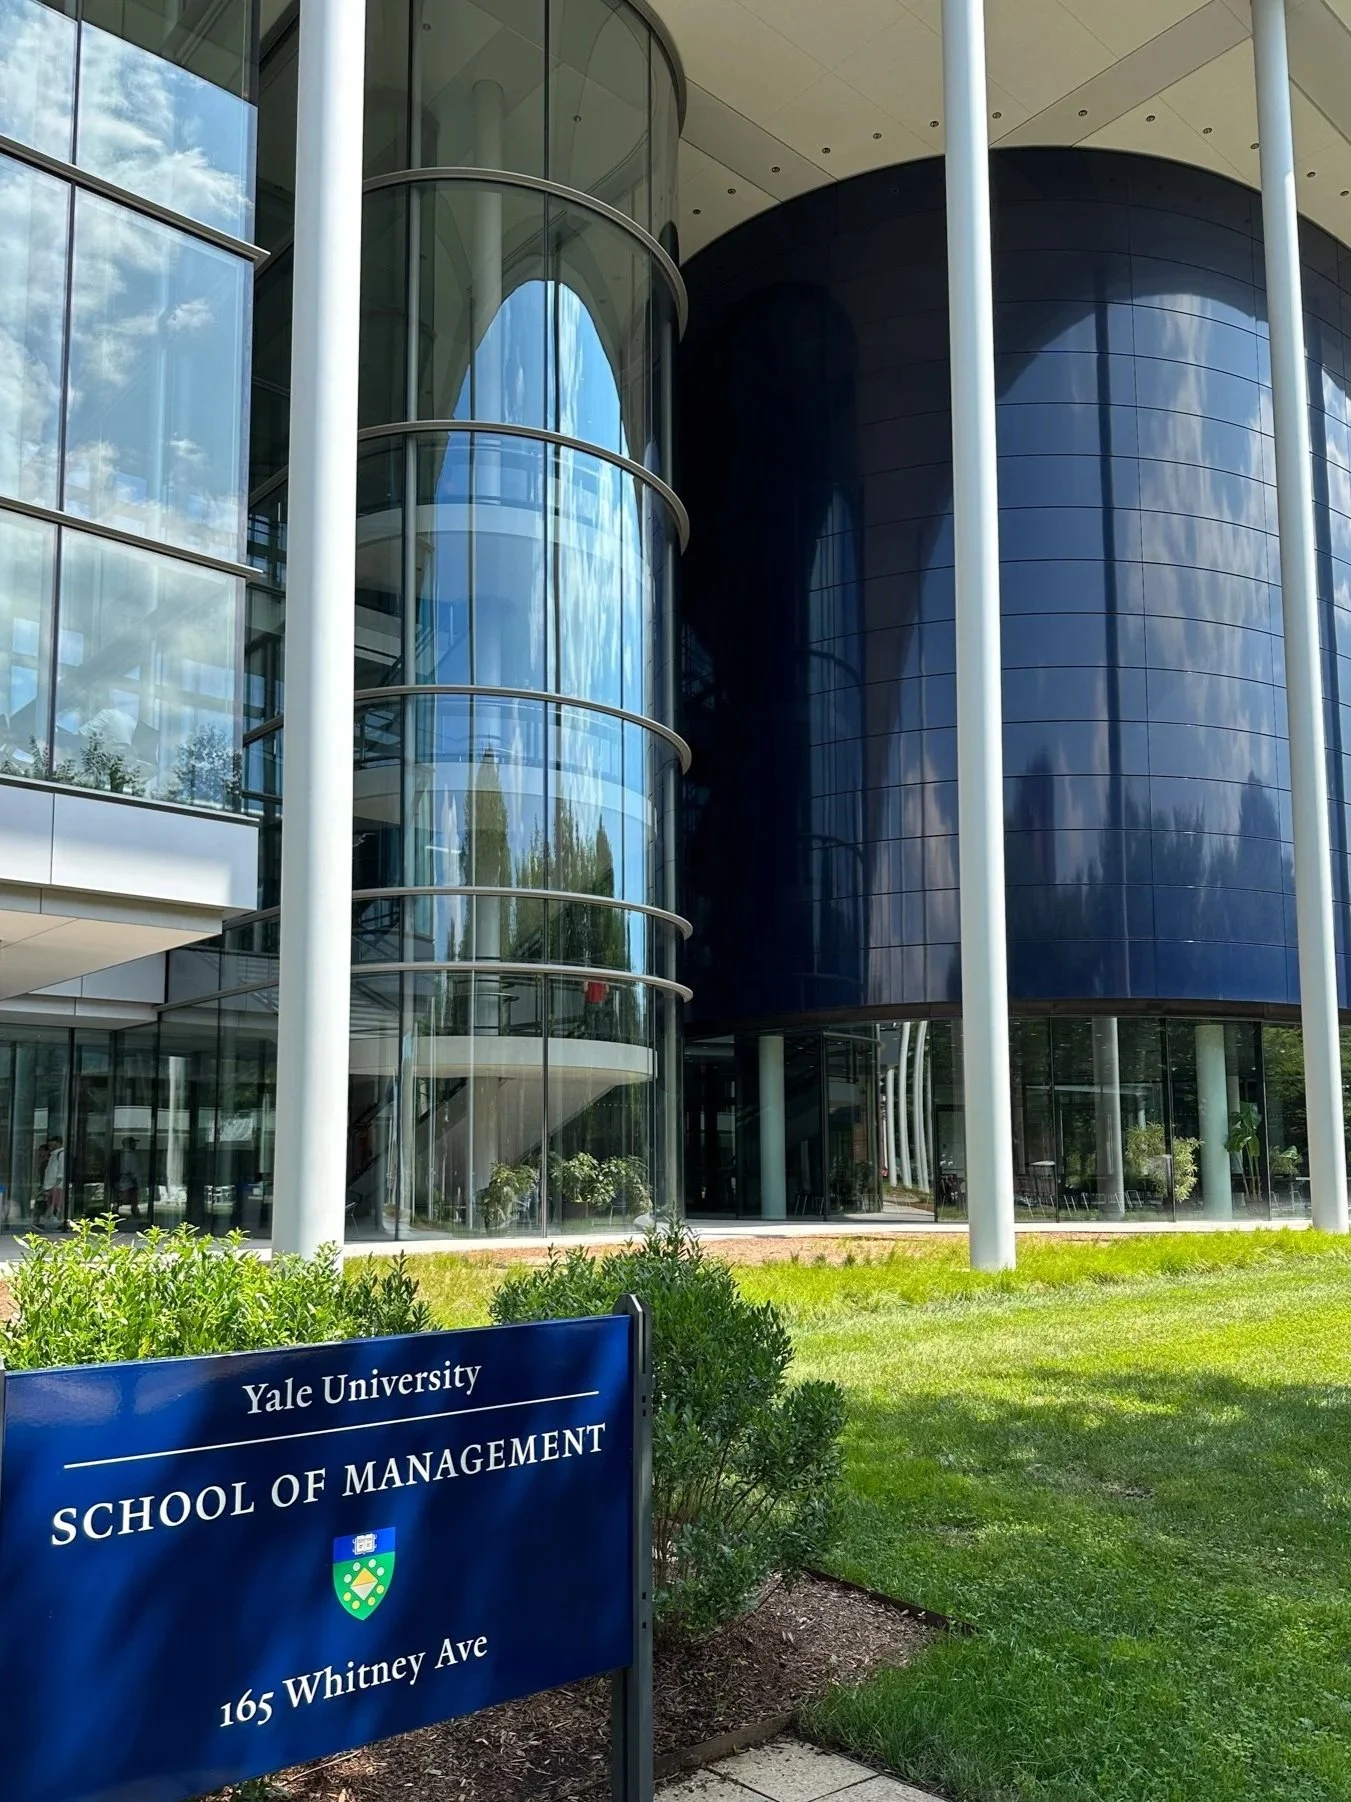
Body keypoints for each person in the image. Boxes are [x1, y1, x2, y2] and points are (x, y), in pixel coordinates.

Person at [112, 1137, 142, 1222]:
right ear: (130, 1144)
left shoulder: (118, 1154)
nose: (135, 1145)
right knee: (133, 1204)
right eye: (134, 1143)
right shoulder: (132, 1156)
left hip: (118, 1182)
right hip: (129, 1183)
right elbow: (134, 1172)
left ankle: (114, 1216)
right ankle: (138, 1219)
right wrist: (138, 1185)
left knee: (118, 1201)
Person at [41, 1135, 64, 1228]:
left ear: (58, 1143)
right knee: (51, 1205)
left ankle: (48, 1224)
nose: (50, 1143)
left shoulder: (61, 1154)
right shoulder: (53, 1154)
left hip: (56, 1186)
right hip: (50, 1186)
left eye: (52, 1141)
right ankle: (46, 1223)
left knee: (54, 1206)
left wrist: (56, 1185)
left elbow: (60, 1172)